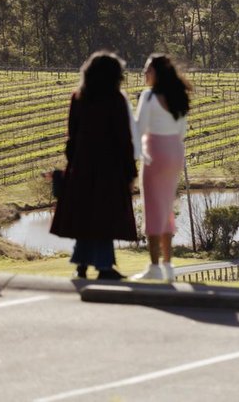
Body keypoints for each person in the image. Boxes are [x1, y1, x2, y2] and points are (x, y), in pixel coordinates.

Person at [49, 51, 140, 280]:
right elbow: (123, 139)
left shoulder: (78, 97)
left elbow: (72, 136)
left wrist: (73, 165)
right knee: (104, 218)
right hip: (109, 169)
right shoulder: (115, 100)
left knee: (87, 216)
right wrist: (130, 171)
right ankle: (104, 266)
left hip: (82, 167)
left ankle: (81, 263)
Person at [132, 54, 192, 281]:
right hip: (175, 151)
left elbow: (139, 128)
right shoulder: (179, 97)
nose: (144, 74)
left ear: (156, 73)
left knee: (152, 208)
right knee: (166, 207)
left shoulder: (148, 97)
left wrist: (138, 154)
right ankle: (168, 265)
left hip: (154, 152)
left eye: (147, 70)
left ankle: (154, 266)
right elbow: (182, 131)